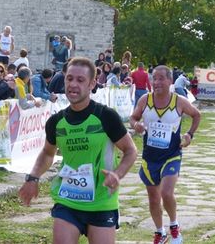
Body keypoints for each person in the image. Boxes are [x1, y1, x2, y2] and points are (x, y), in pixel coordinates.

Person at [19, 57, 137, 244]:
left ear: (92, 84)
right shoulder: (56, 121)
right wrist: (33, 177)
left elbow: (130, 150)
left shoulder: (106, 116)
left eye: (80, 80)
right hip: (68, 200)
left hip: (101, 201)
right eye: (69, 78)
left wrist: (118, 174)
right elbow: (48, 153)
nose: (73, 84)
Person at [130, 65, 200, 244]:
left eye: (161, 78)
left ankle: (174, 227)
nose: (157, 82)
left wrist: (189, 135)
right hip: (149, 158)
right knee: (153, 199)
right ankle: (160, 233)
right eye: (154, 78)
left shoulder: (179, 101)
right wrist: (135, 125)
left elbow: (196, 115)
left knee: (167, 193)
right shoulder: (145, 100)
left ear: (170, 81)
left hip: (172, 155)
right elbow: (133, 117)